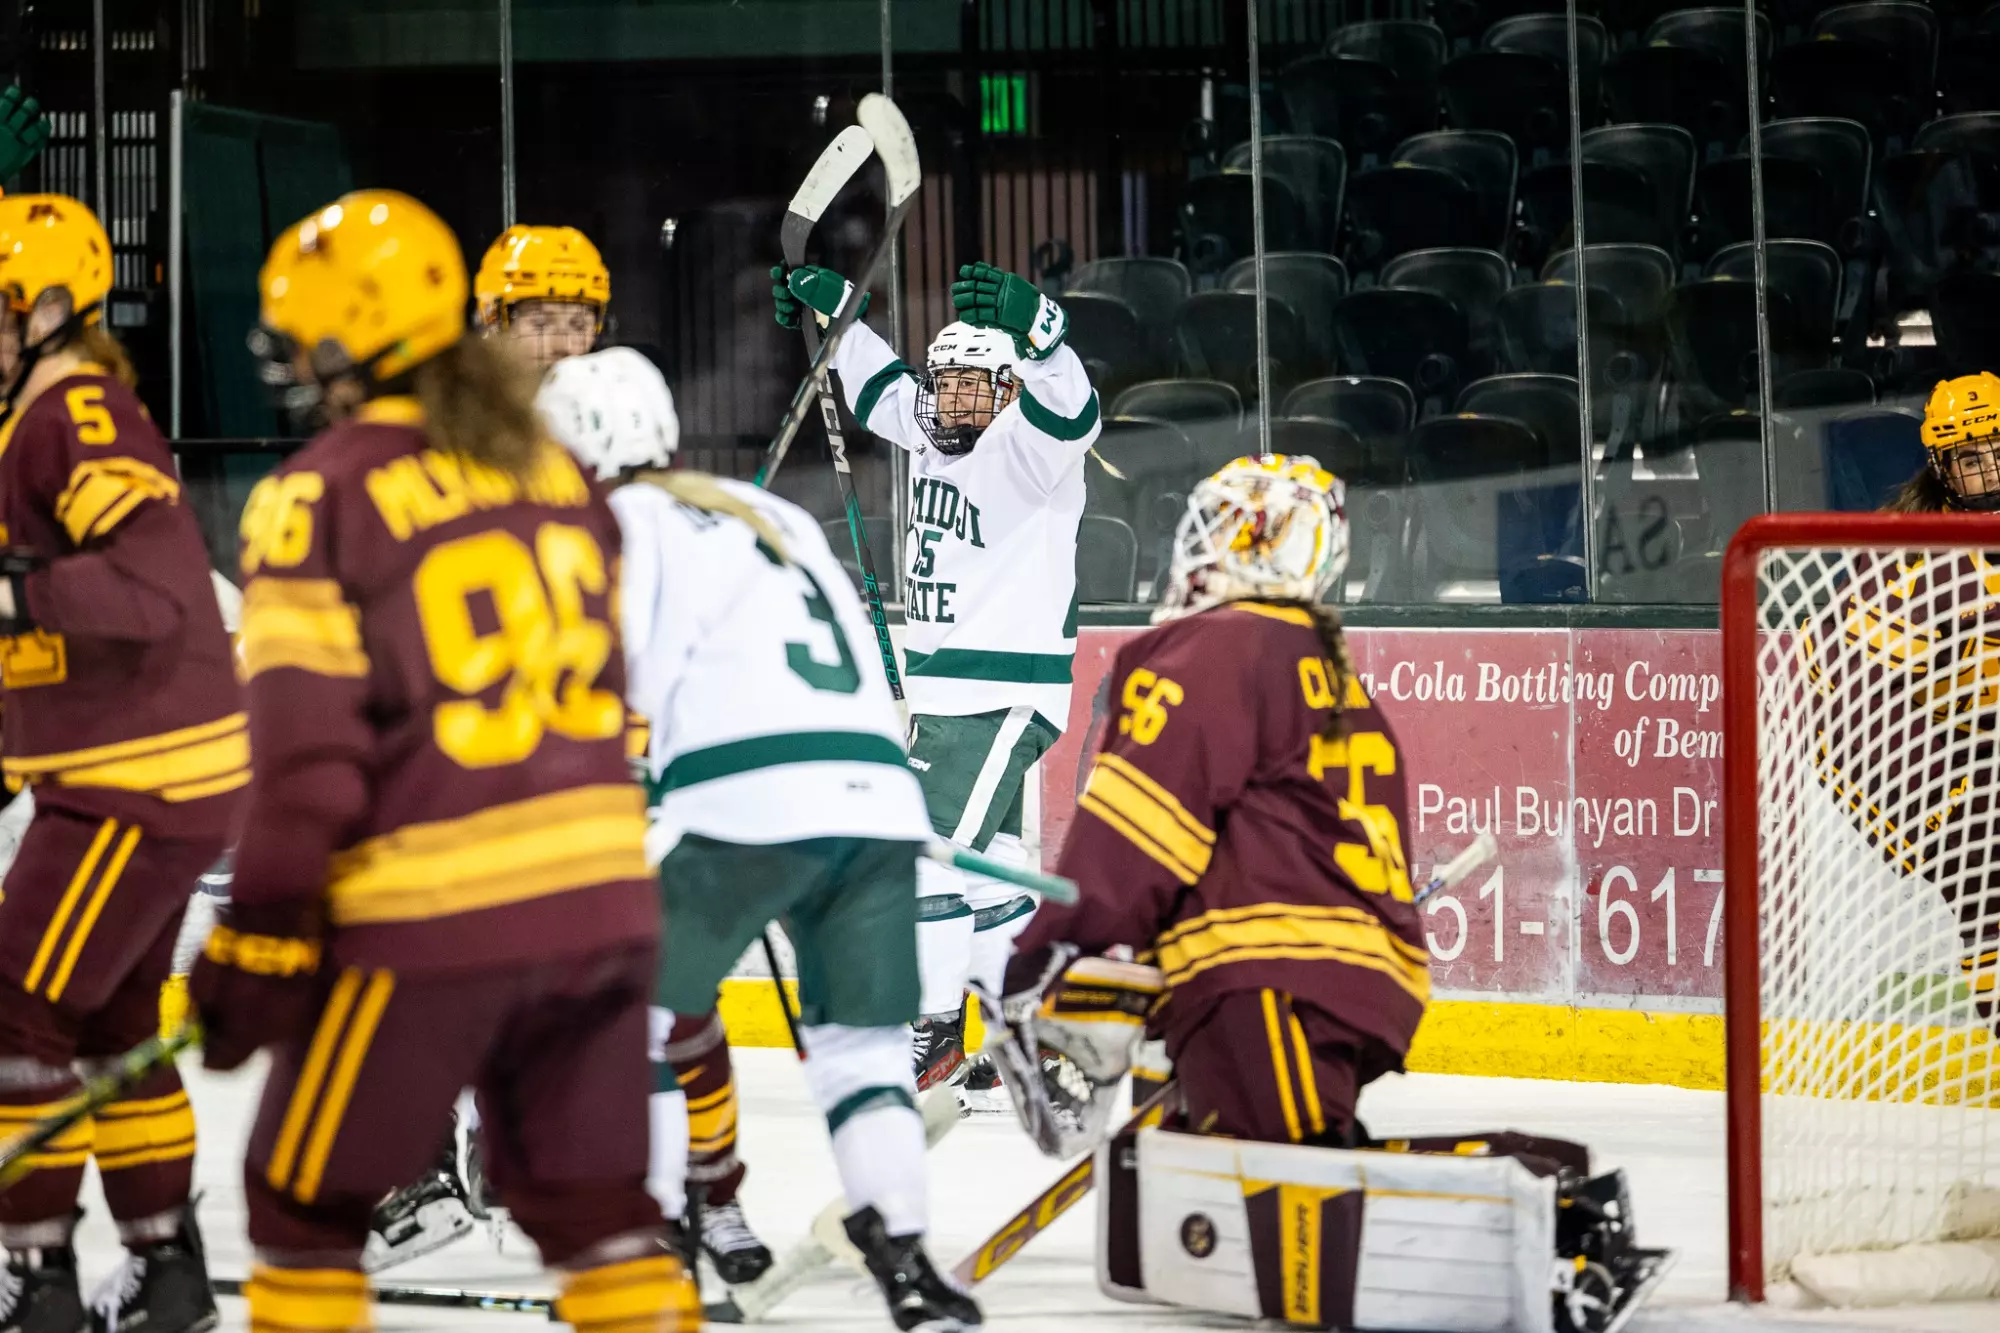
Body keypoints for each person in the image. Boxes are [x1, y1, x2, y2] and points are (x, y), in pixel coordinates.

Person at [989, 456, 1658, 1330]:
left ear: (1248, 538)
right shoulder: (1333, 671)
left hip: (1266, 980)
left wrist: (1045, 951)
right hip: (1347, 982)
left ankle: (1545, 1218)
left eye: (1216, 524)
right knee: (1256, 1165)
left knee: (1303, 1209)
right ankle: (1542, 1196)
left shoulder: (1205, 646)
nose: (1197, 545)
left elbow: (1134, 831)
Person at [189, 189, 695, 1333]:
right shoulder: (562, 483)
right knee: (600, 1219)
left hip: (439, 911)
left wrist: (262, 930)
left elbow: (309, 766)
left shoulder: (317, 491)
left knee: (299, 1197)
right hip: (603, 901)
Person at [538, 346, 980, 1331]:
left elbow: (614, 688)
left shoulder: (609, 525)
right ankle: (908, 1267)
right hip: (874, 802)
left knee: (638, 1020)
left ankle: (654, 1248)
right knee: (860, 1049)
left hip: (739, 800)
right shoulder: (769, 511)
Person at [360, 220, 625, 1275]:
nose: (560, 344)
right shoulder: (441, 425)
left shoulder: (602, 431)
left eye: (576, 322)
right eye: (538, 322)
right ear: (491, 325)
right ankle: (412, 1172)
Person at [0, 192, 244, 1333]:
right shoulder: (48, 414)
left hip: (133, 784)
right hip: (159, 777)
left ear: (49, 308)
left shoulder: (72, 411)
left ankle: (33, 1272)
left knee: (16, 1008)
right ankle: (167, 1270)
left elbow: (150, 590)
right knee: (110, 1027)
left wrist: (13, 590)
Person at [771, 259, 1099, 1091]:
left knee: (918, 854)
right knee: (983, 871)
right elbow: (880, 383)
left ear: (1008, 391)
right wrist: (839, 314)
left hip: (1003, 694)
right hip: (945, 698)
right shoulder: (931, 426)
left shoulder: (1031, 449)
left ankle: (939, 1028)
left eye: (975, 389)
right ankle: (1040, 1028)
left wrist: (1041, 329)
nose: (954, 403)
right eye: (945, 385)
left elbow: (1074, 410)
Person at [1813, 372, 2000, 1023]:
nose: (1992, 468)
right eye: (1974, 457)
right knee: (1982, 852)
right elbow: (1854, 699)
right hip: (1899, 748)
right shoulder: (1914, 562)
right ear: (1943, 467)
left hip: (1981, 733)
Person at [474, 223, 611, 372]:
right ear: (492, 320)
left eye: (579, 326)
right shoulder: (464, 393)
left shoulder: (617, 391)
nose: (563, 347)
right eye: (540, 324)